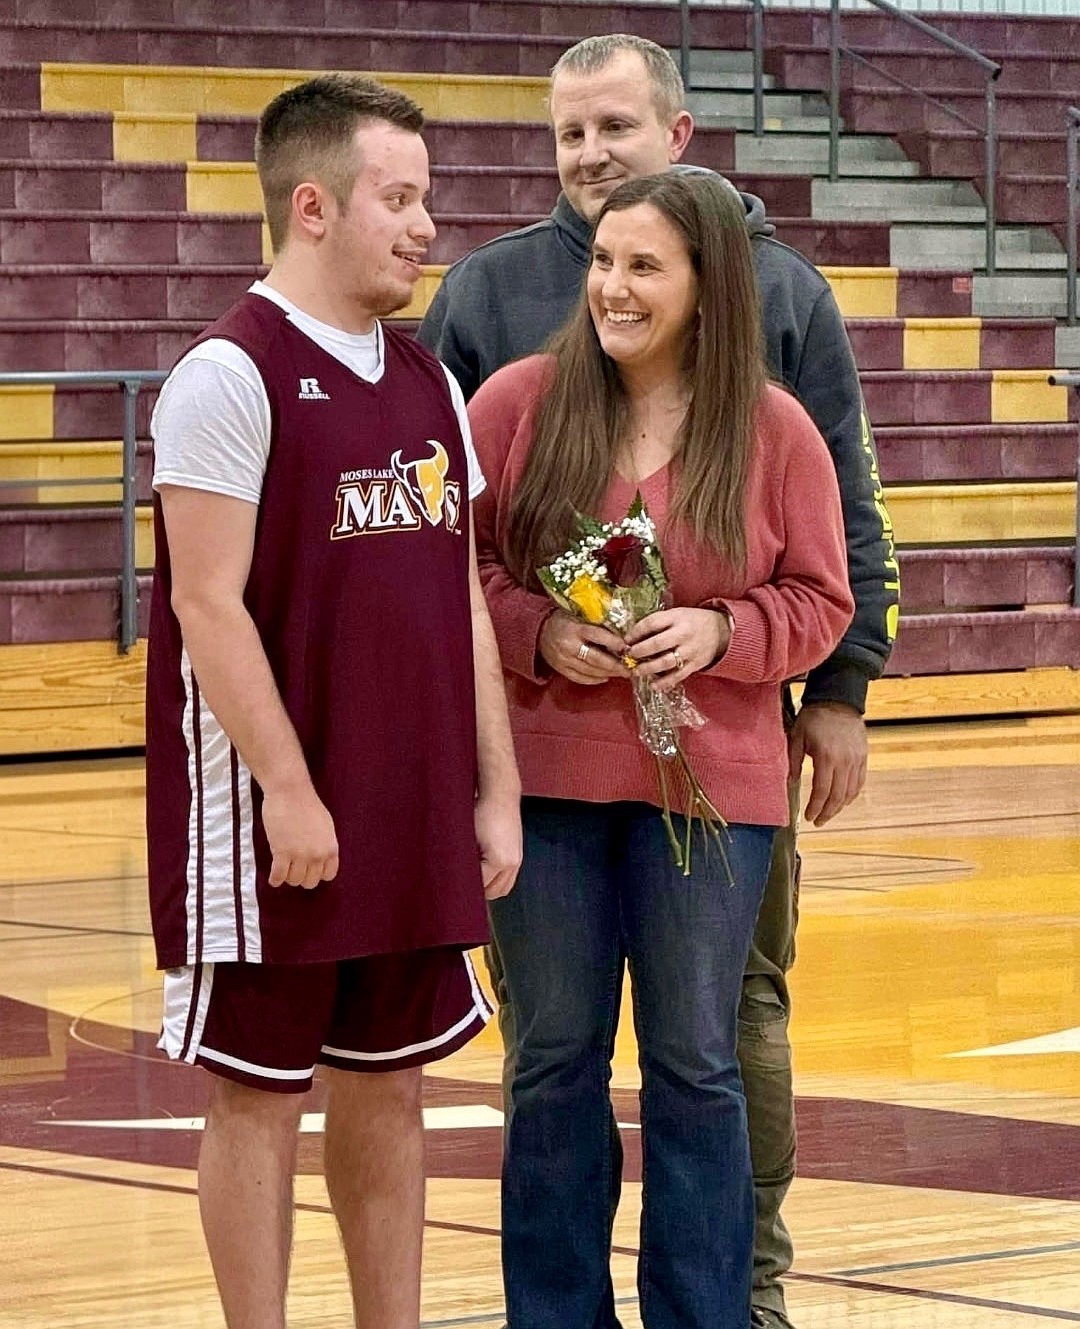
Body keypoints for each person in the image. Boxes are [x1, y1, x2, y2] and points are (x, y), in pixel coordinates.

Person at [419, 33, 899, 1328]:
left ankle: (733, 1304)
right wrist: (535, 635)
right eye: (568, 135)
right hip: (551, 774)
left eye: (614, 129)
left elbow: (835, 556)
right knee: (554, 1058)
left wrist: (773, 659)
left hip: (716, 785)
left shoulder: (779, 371)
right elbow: (444, 556)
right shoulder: (507, 358)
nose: (590, 159)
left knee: (709, 1055)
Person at [145, 74, 521, 1329]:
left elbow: (461, 598)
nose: (427, 227)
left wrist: (495, 788)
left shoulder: (430, 385)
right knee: (258, 1092)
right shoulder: (225, 375)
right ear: (313, 205)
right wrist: (290, 790)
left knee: (391, 1086)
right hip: (274, 821)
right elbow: (207, 607)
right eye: (399, 199)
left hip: (408, 808)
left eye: (428, 199)